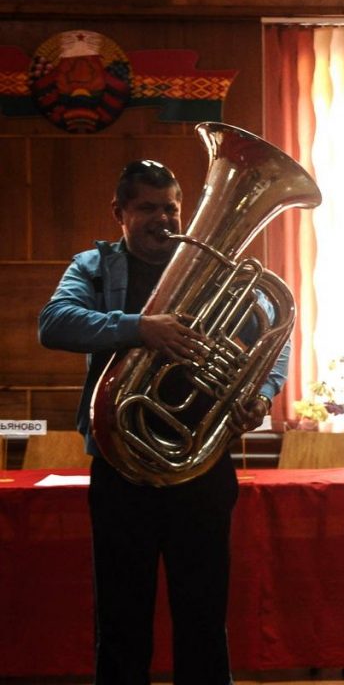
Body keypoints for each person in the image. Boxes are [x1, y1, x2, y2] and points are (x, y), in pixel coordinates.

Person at [38, 159, 288, 683]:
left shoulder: (215, 268)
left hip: (202, 465)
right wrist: (139, 328)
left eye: (171, 208)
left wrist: (260, 395)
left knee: (203, 615)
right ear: (120, 213)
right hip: (120, 466)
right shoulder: (94, 267)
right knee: (121, 616)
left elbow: (273, 333)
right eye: (147, 208)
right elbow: (55, 324)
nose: (163, 219)